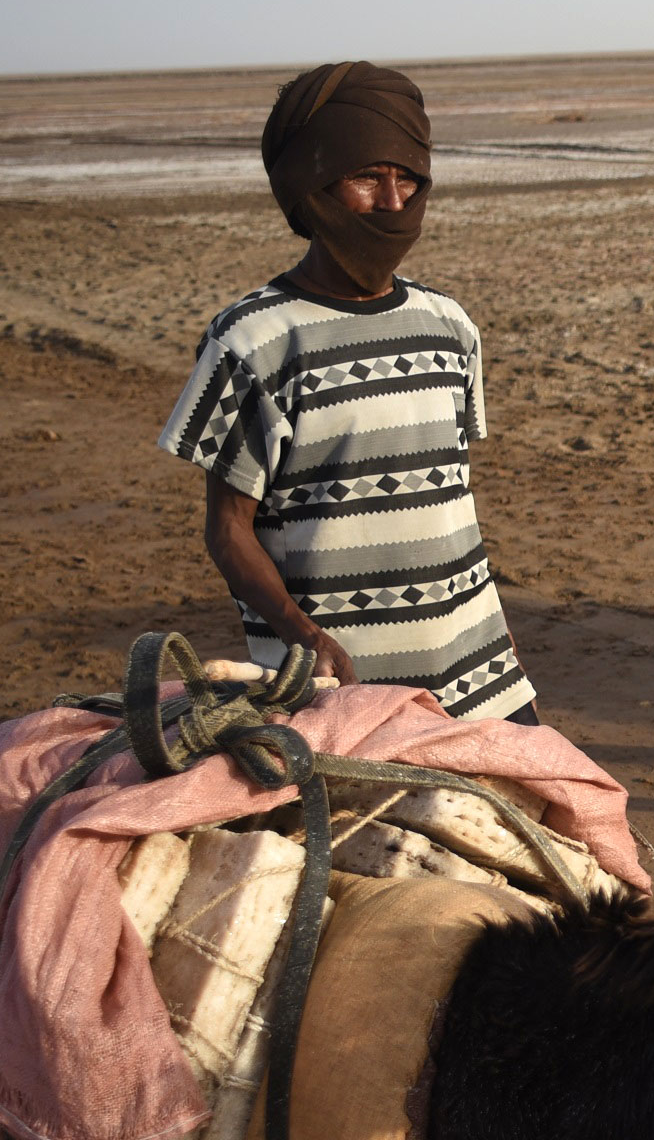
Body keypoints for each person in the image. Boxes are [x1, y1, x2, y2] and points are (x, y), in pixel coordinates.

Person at [158, 60, 540, 722]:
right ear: (312, 186)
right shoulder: (251, 341)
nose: (393, 202)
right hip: (339, 687)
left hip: (479, 681)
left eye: (409, 179)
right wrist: (305, 638)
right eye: (368, 178)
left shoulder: (451, 326)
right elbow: (227, 531)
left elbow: (448, 506)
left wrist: (499, 645)